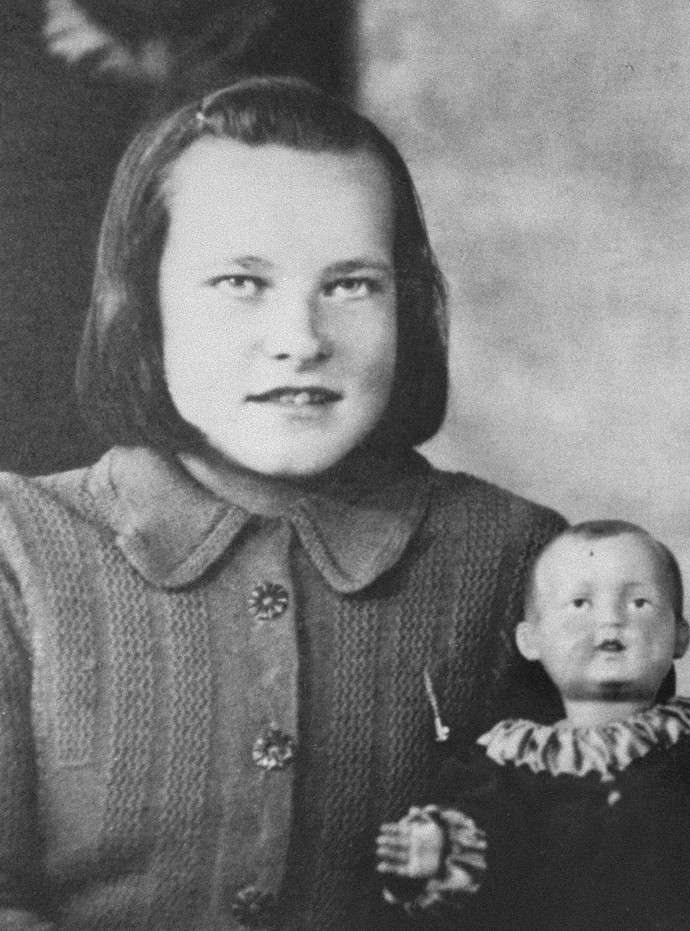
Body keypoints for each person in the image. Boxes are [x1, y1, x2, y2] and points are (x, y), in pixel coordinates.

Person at [0, 77, 566, 929]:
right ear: (142, 303)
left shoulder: (519, 556)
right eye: (239, 281)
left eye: (351, 285)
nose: (300, 340)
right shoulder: (18, 549)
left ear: (408, 306)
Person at [374, 520, 690, 930]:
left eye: (639, 603)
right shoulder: (500, 759)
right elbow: (483, 848)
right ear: (531, 640)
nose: (611, 620)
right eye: (580, 603)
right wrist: (435, 851)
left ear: (679, 635)